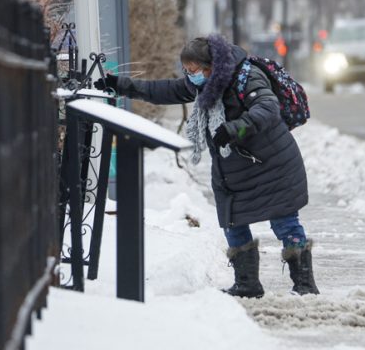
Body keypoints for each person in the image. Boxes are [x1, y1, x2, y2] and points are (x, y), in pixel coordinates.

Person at [94, 34, 319, 297]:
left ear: (211, 66)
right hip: (234, 168)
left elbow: (267, 108)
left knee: (284, 222)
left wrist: (236, 127)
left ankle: (304, 285)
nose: (191, 76)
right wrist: (119, 85)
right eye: (187, 71)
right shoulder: (204, 85)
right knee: (232, 221)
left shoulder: (246, 76)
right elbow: (164, 90)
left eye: (195, 70)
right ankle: (247, 284)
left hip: (272, 164)